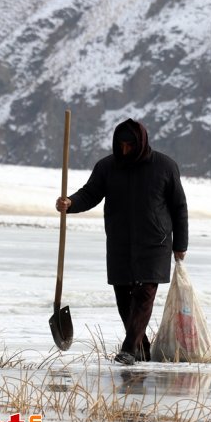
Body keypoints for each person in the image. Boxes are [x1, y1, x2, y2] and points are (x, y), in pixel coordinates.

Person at [55, 118, 188, 365]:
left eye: (130, 145)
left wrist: (181, 245)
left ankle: (128, 349)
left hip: (155, 243)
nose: (125, 150)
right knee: (124, 299)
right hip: (119, 242)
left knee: (144, 296)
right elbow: (90, 193)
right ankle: (142, 348)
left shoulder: (165, 167)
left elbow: (179, 207)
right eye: (121, 145)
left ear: (141, 143)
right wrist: (71, 203)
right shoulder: (107, 167)